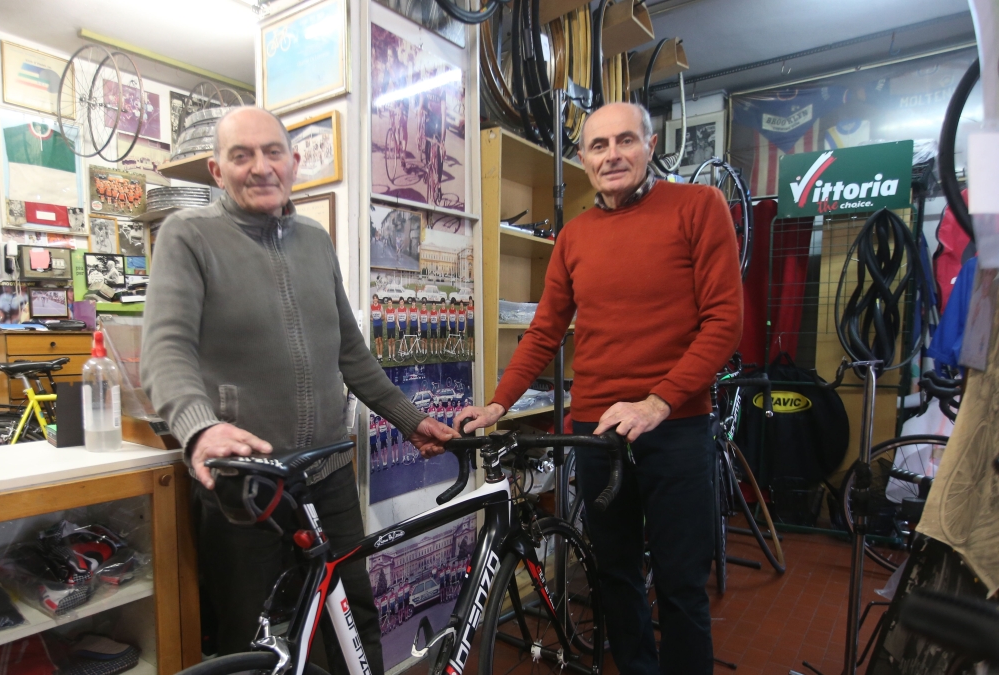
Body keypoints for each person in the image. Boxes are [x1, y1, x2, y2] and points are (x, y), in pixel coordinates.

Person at [143, 106, 457, 675]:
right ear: (217, 170)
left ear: (293, 162)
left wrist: (411, 420)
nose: (260, 167)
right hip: (248, 487)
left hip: (328, 475)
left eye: (272, 152)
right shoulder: (186, 236)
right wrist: (200, 427)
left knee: (353, 623)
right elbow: (165, 350)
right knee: (255, 645)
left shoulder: (314, 239)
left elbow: (350, 352)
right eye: (241, 155)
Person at [454, 103, 742, 675]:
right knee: (614, 573)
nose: (612, 155)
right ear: (583, 158)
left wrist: (658, 401)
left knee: (682, 581)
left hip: (676, 423)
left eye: (625, 140)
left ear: (651, 145)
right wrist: (498, 403)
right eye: (598, 145)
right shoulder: (575, 236)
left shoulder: (700, 206)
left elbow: (724, 322)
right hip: (596, 430)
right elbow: (545, 331)